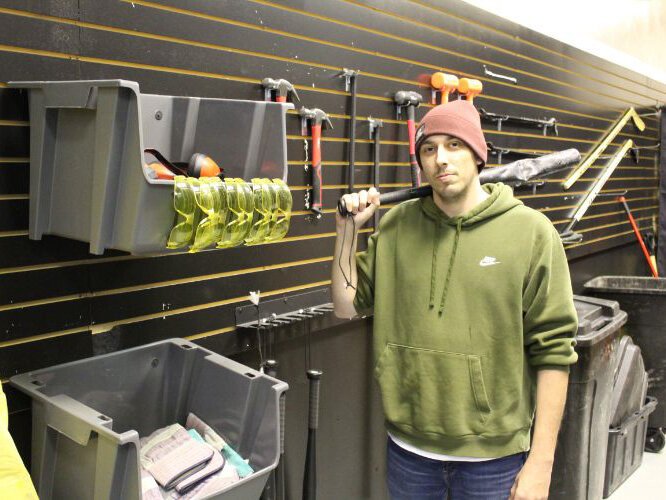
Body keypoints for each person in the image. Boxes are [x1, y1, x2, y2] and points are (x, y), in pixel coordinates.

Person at [332, 100, 578, 500]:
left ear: (478, 154)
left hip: (494, 460)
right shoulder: (395, 226)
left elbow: (554, 353)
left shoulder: (531, 233)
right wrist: (345, 232)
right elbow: (345, 305)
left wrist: (541, 462)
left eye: (454, 145)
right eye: (429, 149)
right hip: (408, 452)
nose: (440, 159)